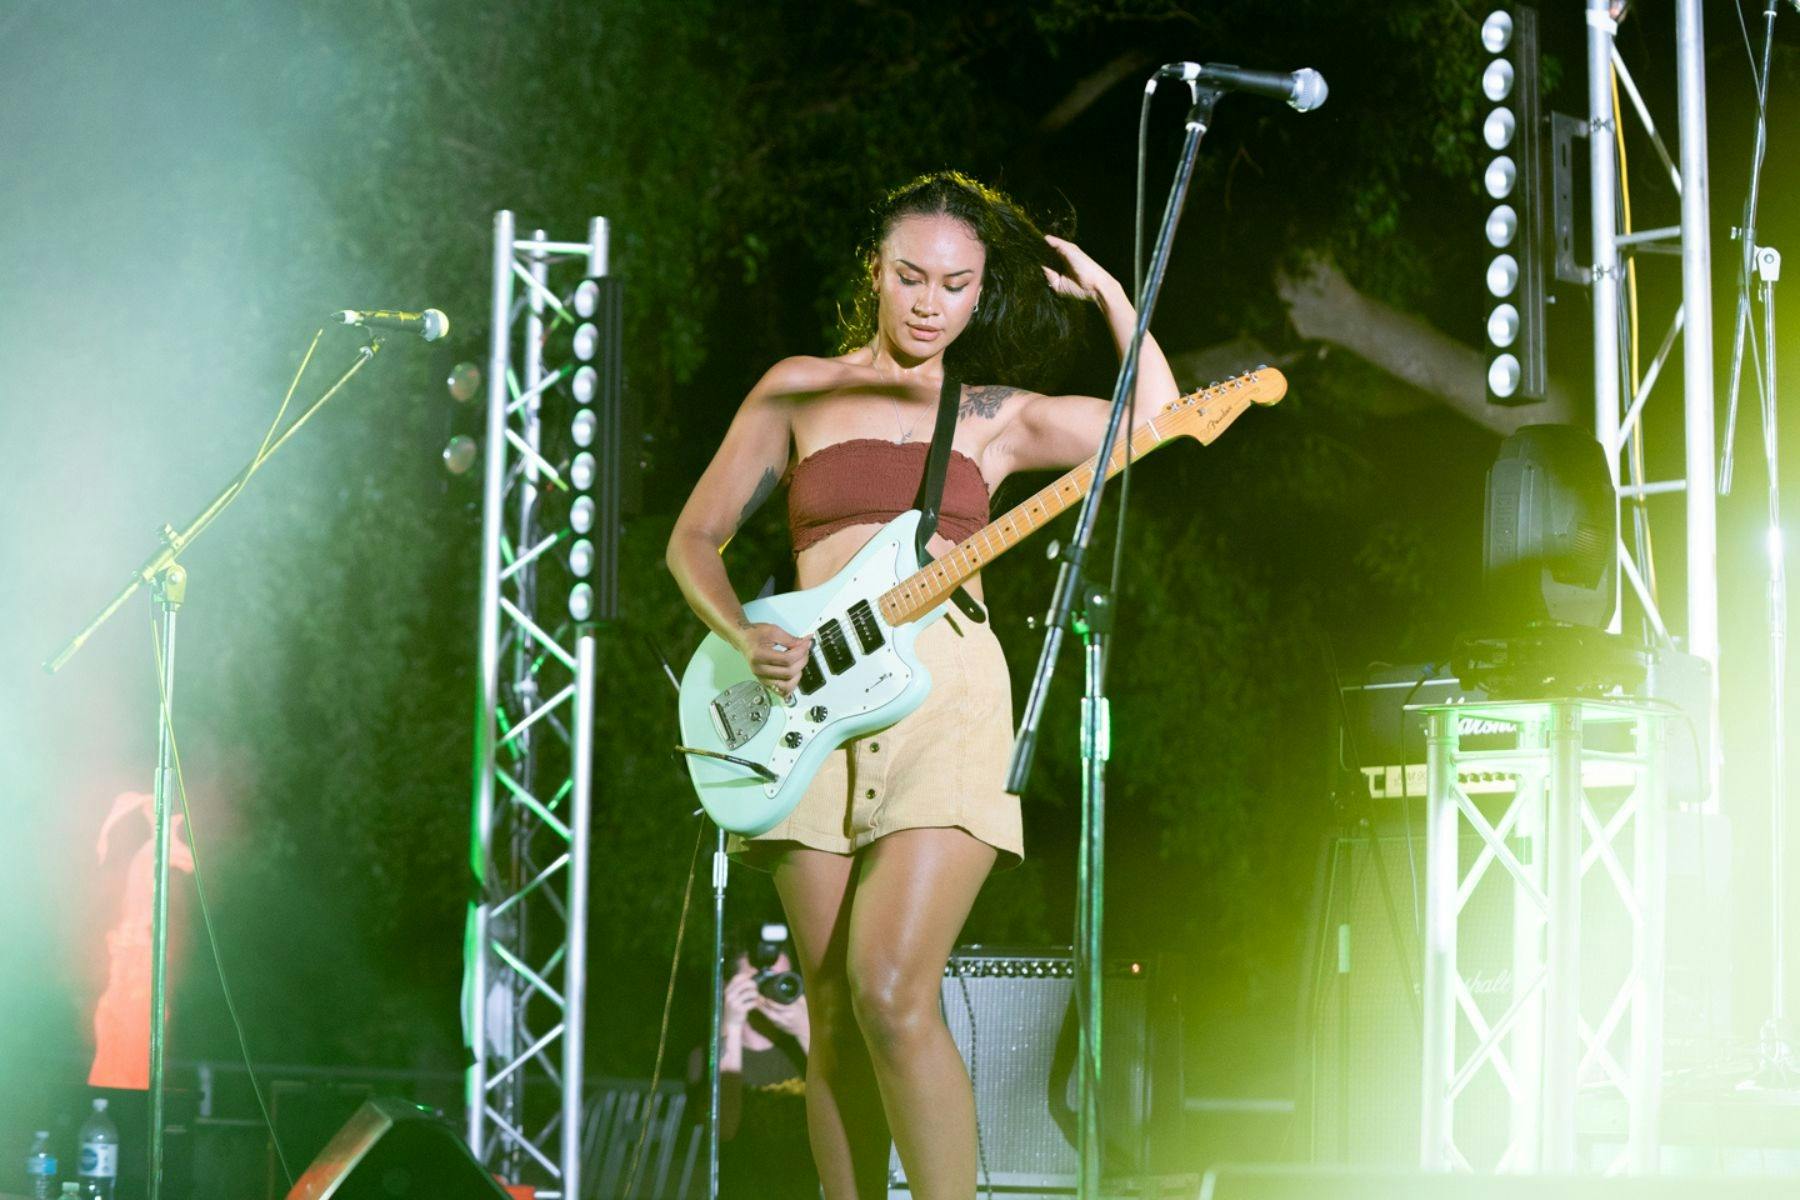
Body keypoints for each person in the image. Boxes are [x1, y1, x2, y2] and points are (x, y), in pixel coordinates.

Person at [666, 170, 1180, 1199]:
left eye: (957, 284)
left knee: (892, 990)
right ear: (877, 270)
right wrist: (743, 631)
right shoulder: (798, 386)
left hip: (946, 698)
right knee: (833, 1016)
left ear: (981, 293)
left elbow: (1159, 418)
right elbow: (696, 538)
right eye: (911, 277)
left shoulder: (990, 414)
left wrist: (1111, 294)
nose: (931, 303)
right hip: (804, 706)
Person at [685, 933, 817, 1198]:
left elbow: (853, 1109)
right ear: (728, 986)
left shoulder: (809, 1048)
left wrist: (806, 1030)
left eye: (781, 978)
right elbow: (724, 1128)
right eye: (760, 979)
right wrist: (730, 1025)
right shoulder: (708, 1054)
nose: (773, 987)